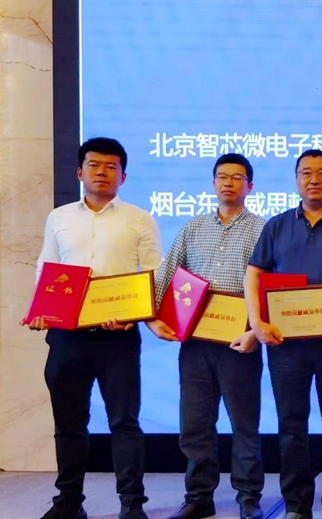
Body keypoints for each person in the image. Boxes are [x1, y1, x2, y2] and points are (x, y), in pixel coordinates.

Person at [25, 137, 162, 519]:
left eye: (111, 167)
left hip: (118, 338)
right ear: (79, 172)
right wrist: (42, 310)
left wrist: (136, 314)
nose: (102, 172)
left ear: (123, 176)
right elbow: (46, 268)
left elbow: (154, 274)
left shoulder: (139, 218)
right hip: (67, 337)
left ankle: (131, 503)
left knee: (124, 422)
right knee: (69, 424)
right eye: (94, 165)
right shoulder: (59, 217)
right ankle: (69, 502)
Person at [243, 149, 322, 519]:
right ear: (296, 179)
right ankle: (297, 505)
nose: (314, 179)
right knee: (291, 425)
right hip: (287, 344)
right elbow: (254, 274)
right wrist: (257, 322)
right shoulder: (278, 225)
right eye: (306, 173)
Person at [145, 153, 266, 519]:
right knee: (195, 424)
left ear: (250, 186)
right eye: (222, 176)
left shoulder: (263, 229)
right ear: (213, 183)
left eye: (237, 177)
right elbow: (167, 274)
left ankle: (248, 498)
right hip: (195, 343)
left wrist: (256, 333)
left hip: (240, 342)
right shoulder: (193, 227)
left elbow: (270, 287)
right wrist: (151, 318)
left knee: (245, 425)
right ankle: (199, 497)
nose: (228, 182)